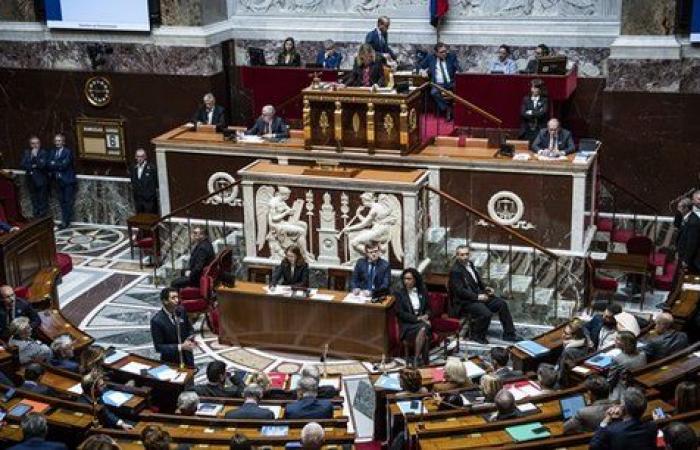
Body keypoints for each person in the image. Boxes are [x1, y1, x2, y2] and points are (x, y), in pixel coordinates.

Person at [448, 245, 517, 344]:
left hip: (477, 296)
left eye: (467, 254)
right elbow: (460, 291)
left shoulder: (470, 264)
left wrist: (485, 288)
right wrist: (478, 297)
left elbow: (476, 281)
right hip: (465, 302)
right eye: (462, 255)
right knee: (486, 313)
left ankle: (509, 334)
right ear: (457, 256)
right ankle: (477, 336)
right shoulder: (455, 271)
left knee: (501, 304)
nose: (465, 257)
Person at [590, 387, 657, 450]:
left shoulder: (611, 431)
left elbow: (593, 447)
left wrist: (606, 420)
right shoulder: (652, 426)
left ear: (623, 408)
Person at [394, 268, 432, 367]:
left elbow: (429, 308)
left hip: (422, 323)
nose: (406, 281)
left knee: (423, 328)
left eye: (409, 279)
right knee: (424, 327)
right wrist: (418, 319)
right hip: (407, 325)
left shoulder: (422, 291)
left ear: (415, 280)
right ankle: (420, 359)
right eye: (405, 279)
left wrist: (427, 315)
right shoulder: (399, 293)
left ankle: (416, 358)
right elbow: (400, 313)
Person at [150, 287, 195, 368]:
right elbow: (159, 347)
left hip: (187, 358)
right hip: (171, 361)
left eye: (177, 297)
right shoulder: (157, 321)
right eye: (173, 298)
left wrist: (191, 338)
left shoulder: (181, 311)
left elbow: (190, 328)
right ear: (165, 301)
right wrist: (180, 347)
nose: (177, 300)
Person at [420, 42, 461, 121]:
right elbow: (420, 66)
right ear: (436, 53)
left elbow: (458, 68)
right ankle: (447, 109)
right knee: (434, 92)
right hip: (438, 84)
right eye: (442, 52)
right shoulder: (430, 58)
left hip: (451, 82)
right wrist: (423, 71)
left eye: (445, 51)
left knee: (460, 91)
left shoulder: (451, 57)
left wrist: (458, 71)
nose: (444, 53)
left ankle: (460, 113)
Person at [46, 133, 77, 229]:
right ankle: (64, 220)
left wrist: (54, 163)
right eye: (56, 141)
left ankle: (66, 221)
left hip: (67, 181)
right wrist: (56, 164)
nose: (57, 143)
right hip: (57, 181)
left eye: (59, 141)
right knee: (61, 201)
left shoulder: (68, 152)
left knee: (67, 201)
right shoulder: (52, 152)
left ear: (63, 142)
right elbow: (48, 164)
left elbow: (64, 165)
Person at [608, 331, 646, 402]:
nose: (615, 340)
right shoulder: (643, 354)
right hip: (638, 386)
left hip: (623, 391)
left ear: (624, 343)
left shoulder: (617, 359)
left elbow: (611, 380)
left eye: (617, 339)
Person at [19, 136, 49, 218]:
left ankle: (42, 217)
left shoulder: (43, 153)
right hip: (30, 180)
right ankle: (36, 216)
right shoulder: (27, 152)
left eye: (37, 143)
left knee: (42, 199)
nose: (35, 145)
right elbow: (22, 164)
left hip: (41, 180)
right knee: (33, 199)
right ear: (30, 145)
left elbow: (42, 165)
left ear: (40, 144)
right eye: (33, 143)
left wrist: (35, 157)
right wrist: (33, 165)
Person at [555, 319, 591, 387]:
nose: (563, 335)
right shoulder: (581, 338)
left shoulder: (570, 350)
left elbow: (561, 371)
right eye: (564, 331)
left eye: (566, 334)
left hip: (565, 377)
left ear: (574, 336)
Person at [676, 189, 700, 274]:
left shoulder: (694, 222)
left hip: (692, 258)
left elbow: (691, 243)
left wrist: (686, 260)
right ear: (693, 201)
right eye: (699, 199)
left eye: (679, 208)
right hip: (684, 254)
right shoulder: (687, 215)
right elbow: (677, 224)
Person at [129, 148, 159, 214]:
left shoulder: (151, 168)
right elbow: (133, 181)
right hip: (138, 200)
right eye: (138, 156)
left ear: (145, 157)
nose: (139, 158)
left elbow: (156, 182)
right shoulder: (133, 168)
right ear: (135, 157)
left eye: (141, 156)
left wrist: (150, 195)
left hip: (149, 201)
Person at [518, 79, 548, 144]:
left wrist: (531, 112)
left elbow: (543, 113)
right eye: (532, 87)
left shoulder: (544, 100)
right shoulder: (526, 99)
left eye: (535, 88)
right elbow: (523, 113)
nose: (533, 89)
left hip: (539, 128)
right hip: (527, 129)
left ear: (540, 89)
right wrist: (537, 112)